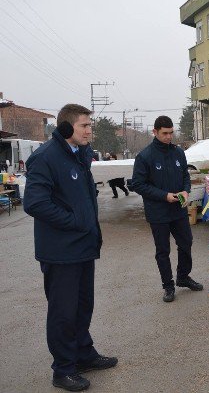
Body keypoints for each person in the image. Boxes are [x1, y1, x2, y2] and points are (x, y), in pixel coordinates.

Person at [24, 103, 117, 392]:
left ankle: (83, 354)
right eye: (84, 126)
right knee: (63, 312)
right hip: (61, 251)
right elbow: (35, 203)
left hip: (82, 247)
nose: (90, 131)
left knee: (82, 306)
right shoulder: (45, 158)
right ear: (66, 128)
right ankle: (63, 369)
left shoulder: (79, 155)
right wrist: (76, 221)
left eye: (91, 125)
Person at [130, 116, 203, 302]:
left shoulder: (178, 152)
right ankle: (168, 286)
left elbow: (185, 176)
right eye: (165, 133)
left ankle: (183, 277)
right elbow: (138, 184)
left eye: (171, 133)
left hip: (178, 209)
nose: (169, 137)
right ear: (155, 132)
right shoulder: (145, 156)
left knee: (186, 242)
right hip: (158, 212)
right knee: (163, 251)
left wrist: (186, 191)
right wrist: (164, 196)